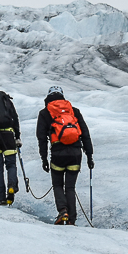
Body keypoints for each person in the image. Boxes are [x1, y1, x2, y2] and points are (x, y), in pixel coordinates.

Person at [37, 86, 94, 226]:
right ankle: (71, 220)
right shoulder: (74, 111)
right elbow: (85, 134)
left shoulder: (45, 113)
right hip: (75, 153)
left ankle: (63, 211)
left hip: (58, 154)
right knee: (70, 187)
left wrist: (44, 158)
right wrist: (89, 155)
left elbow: (42, 138)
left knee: (57, 184)